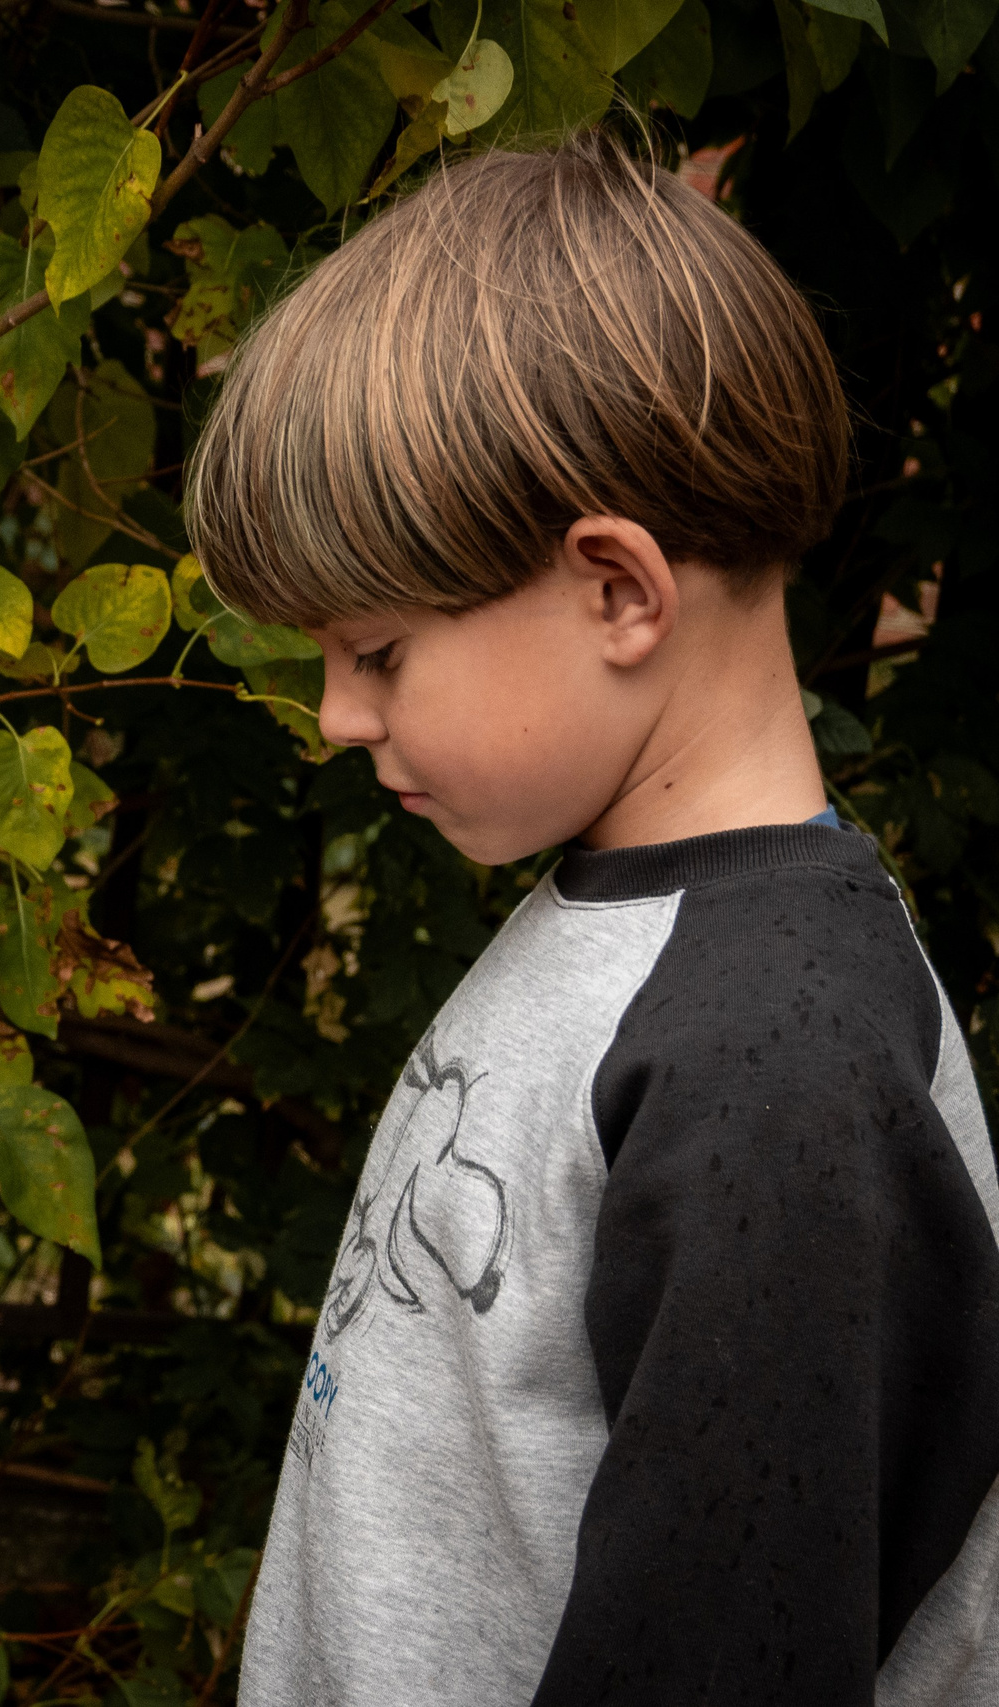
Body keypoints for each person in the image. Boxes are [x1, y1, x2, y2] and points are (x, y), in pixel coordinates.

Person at [185, 132, 999, 1706]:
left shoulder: (776, 1069)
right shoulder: (628, 927)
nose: (339, 716)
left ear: (618, 589)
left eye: (377, 649)